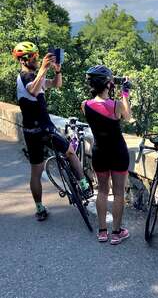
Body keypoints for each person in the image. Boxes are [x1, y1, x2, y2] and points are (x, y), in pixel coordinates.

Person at [13, 41, 91, 221]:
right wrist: (43, 68)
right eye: (33, 57)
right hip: (42, 128)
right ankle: (83, 184)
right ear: (24, 60)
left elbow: (56, 84)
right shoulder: (25, 76)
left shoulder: (33, 76)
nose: (37, 58)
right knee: (69, 153)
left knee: (36, 171)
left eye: (37, 55)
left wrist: (57, 69)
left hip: (31, 130)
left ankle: (40, 208)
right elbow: (33, 90)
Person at [82, 65, 131, 244]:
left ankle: (102, 231)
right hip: (118, 152)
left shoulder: (85, 105)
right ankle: (117, 233)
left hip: (99, 153)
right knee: (119, 193)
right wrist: (125, 93)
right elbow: (128, 115)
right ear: (108, 84)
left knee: (102, 191)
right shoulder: (116, 106)